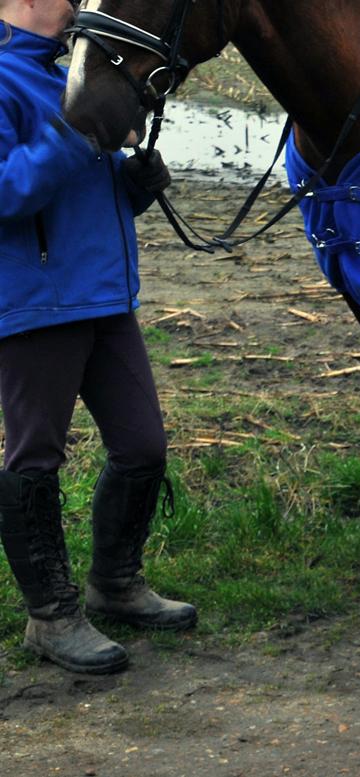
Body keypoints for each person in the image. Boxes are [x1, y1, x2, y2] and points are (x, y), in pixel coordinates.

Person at [0, 0, 195, 674]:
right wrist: (75, 137)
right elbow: (5, 192)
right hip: (35, 302)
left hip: (106, 295)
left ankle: (115, 583)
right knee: (35, 458)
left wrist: (132, 183)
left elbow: (83, 184)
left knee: (143, 444)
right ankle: (50, 616)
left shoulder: (79, 72)